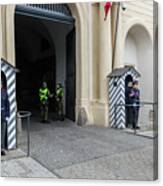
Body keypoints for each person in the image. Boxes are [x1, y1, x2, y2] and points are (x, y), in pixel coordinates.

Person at [1, 80, 10, 156]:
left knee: (3, 133)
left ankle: (2, 148)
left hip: (3, 115)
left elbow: (8, 104)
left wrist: (8, 115)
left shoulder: (4, 92)